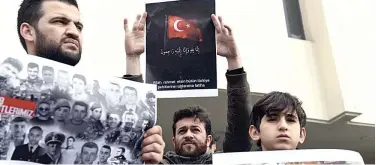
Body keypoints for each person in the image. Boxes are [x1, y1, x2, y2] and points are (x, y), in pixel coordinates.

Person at [17, 0, 164, 163]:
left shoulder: (94, 98)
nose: (74, 31)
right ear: (28, 31)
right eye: (60, 21)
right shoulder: (14, 94)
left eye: (78, 26)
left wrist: (145, 155)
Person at [123, 12, 252, 163]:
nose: (188, 135)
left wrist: (233, 60)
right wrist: (132, 59)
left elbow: (241, 128)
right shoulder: (156, 163)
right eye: (182, 131)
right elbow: (137, 123)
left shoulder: (223, 162)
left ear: (209, 139)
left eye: (196, 130)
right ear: (173, 140)